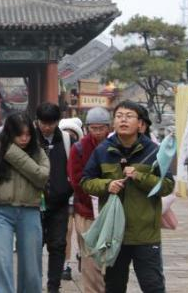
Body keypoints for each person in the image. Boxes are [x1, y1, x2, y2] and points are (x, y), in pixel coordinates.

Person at [81, 100, 175, 293]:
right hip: (114, 234)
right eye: (119, 116)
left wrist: (139, 176)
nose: (123, 120)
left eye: (129, 116)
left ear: (140, 124)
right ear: (113, 122)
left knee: (153, 286)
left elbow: (167, 185)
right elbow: (86, 182)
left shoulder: (154, 151)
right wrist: (107, 185)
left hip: (145, 234)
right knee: (114, 287)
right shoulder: (103, 151)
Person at [0, 112, 50, 293]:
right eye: (19, 134)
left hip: (30, 210)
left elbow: (42, 177)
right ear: (10, 133)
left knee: (31, 265)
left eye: (28, 134)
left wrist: (13, 153)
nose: (24, 139)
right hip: (1, 210)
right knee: (2, 262)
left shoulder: (38, 152)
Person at [66, 107, 111, 293]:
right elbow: (76, 180)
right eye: (94, 128)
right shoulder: (79, 148)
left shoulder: (115, 146)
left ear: (108, 128)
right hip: (86, 210)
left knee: (110, 258)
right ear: (87, 128)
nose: (98, 132)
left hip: (111, 210)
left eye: (101, 128)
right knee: (90, 258)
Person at [35, 102, 73, 293]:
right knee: (33, 246)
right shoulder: (29, 138)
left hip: (59, 203)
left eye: (51, 123)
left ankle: (53, 287)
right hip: (34, 203)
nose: (47, 127)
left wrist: (68, 191)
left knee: (58, 246)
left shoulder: (66, 140)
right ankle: (34, 284)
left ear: (58, 121)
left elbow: (73, 169)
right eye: (43, 123)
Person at [57, 117, 83, 282]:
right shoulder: (56, 149)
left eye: (72, 134)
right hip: (64, 196)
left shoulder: (83, 150)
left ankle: (82, 255)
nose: (69, 137)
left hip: (81, 195)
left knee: (82, 230)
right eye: (65, 133)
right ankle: (65, 264)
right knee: (66, 230)